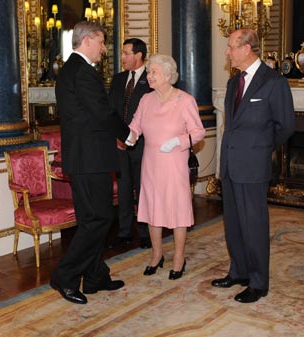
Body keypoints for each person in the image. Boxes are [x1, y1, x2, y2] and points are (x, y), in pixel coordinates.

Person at [50, 21, 137, 305]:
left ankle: (95, 277)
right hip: (89, 160)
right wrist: (128, 134)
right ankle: (65, 276)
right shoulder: (82, 71)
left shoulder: (72, 69)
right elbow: (103, 112)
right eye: (101, 42)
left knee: (92, 219)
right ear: (87, 41)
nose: (103, 48)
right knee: (99, 219)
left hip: (86, 158)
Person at [211, 29, 294, 303]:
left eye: (231, 46)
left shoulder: (274, 82)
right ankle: (239, 272)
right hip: (231, 164)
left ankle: (258, 282)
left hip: (253, 165)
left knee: (254, 224)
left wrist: (260, 150)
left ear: (247, 48)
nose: (227, 52)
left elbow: (285, 126)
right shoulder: (234, 83)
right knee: (233, 223)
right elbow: (231, 126)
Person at [129, 54, 205, 280]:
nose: (149, 76)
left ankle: (179, 257)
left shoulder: (185, 100)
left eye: (154, 72)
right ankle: (157, 255)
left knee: (177, 211)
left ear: (169, 75)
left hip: (174, 163)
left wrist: (178, 142)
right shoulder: (146, 100)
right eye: (149, 72)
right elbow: (135, 126)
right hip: (151, 162)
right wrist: (129, 137)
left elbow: (198, 132)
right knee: (153, 209)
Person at [108, 38, 152, 250]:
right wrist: (118, 136)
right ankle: (125, 232)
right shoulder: (118, 79)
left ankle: (144, 233)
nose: (122, 57)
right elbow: (111, 112)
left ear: (139, 56)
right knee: (124, 189)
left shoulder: (152, 79)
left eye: (126, 53)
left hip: (143, 145)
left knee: (143, 189)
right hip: (119, 145)